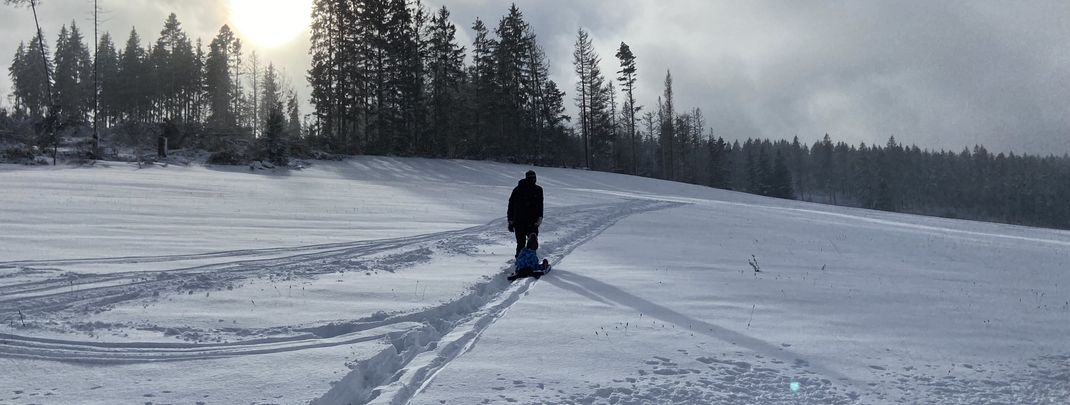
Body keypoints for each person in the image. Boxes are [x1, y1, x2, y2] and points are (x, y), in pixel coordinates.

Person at [507, 170, 543, 257]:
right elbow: (511, 205)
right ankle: (523, 263)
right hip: (523, 222)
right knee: (524, 244)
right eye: (531, 177)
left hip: (530, 222)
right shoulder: (519, 189)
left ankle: (526, 263)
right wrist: (510, 221)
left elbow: (540, 205)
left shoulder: (537, 190)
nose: (533, 179)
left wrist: (540, 218)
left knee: (528, 243)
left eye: (534, 177)